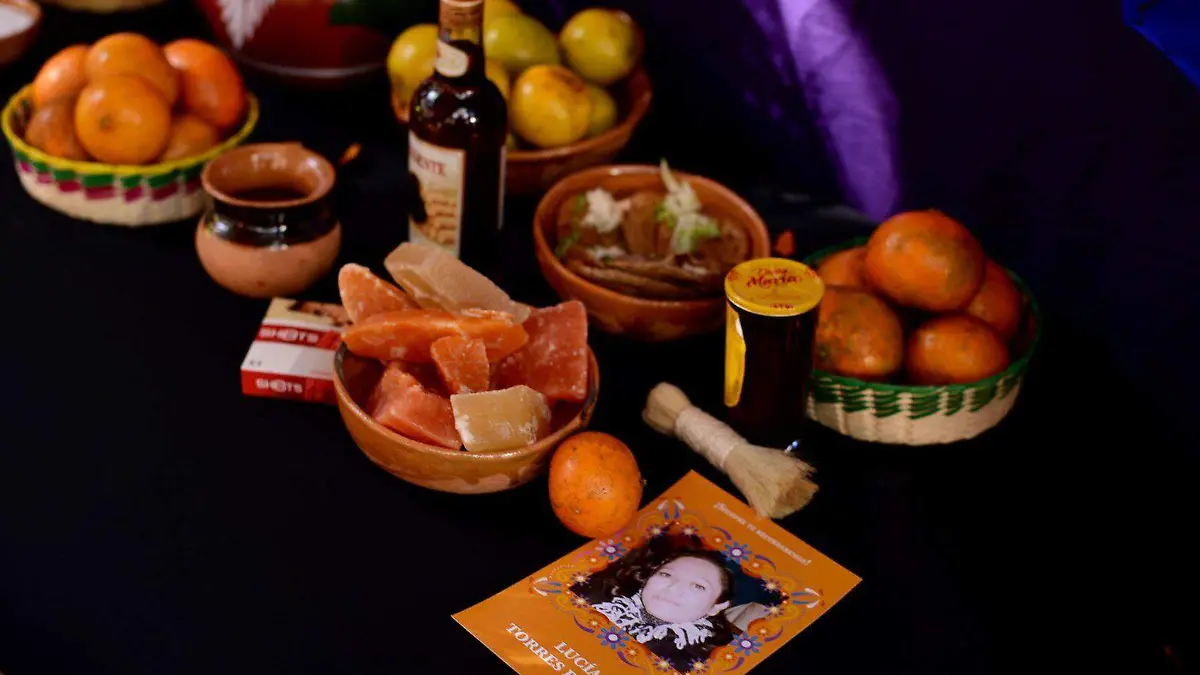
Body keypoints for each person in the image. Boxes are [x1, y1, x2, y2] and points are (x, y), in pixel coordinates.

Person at [573, 548, 738, 671]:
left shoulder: (694, 666)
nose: (673, 588)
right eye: (667, 575)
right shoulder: (589, 596)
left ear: (717, 607)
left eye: (698, 586)